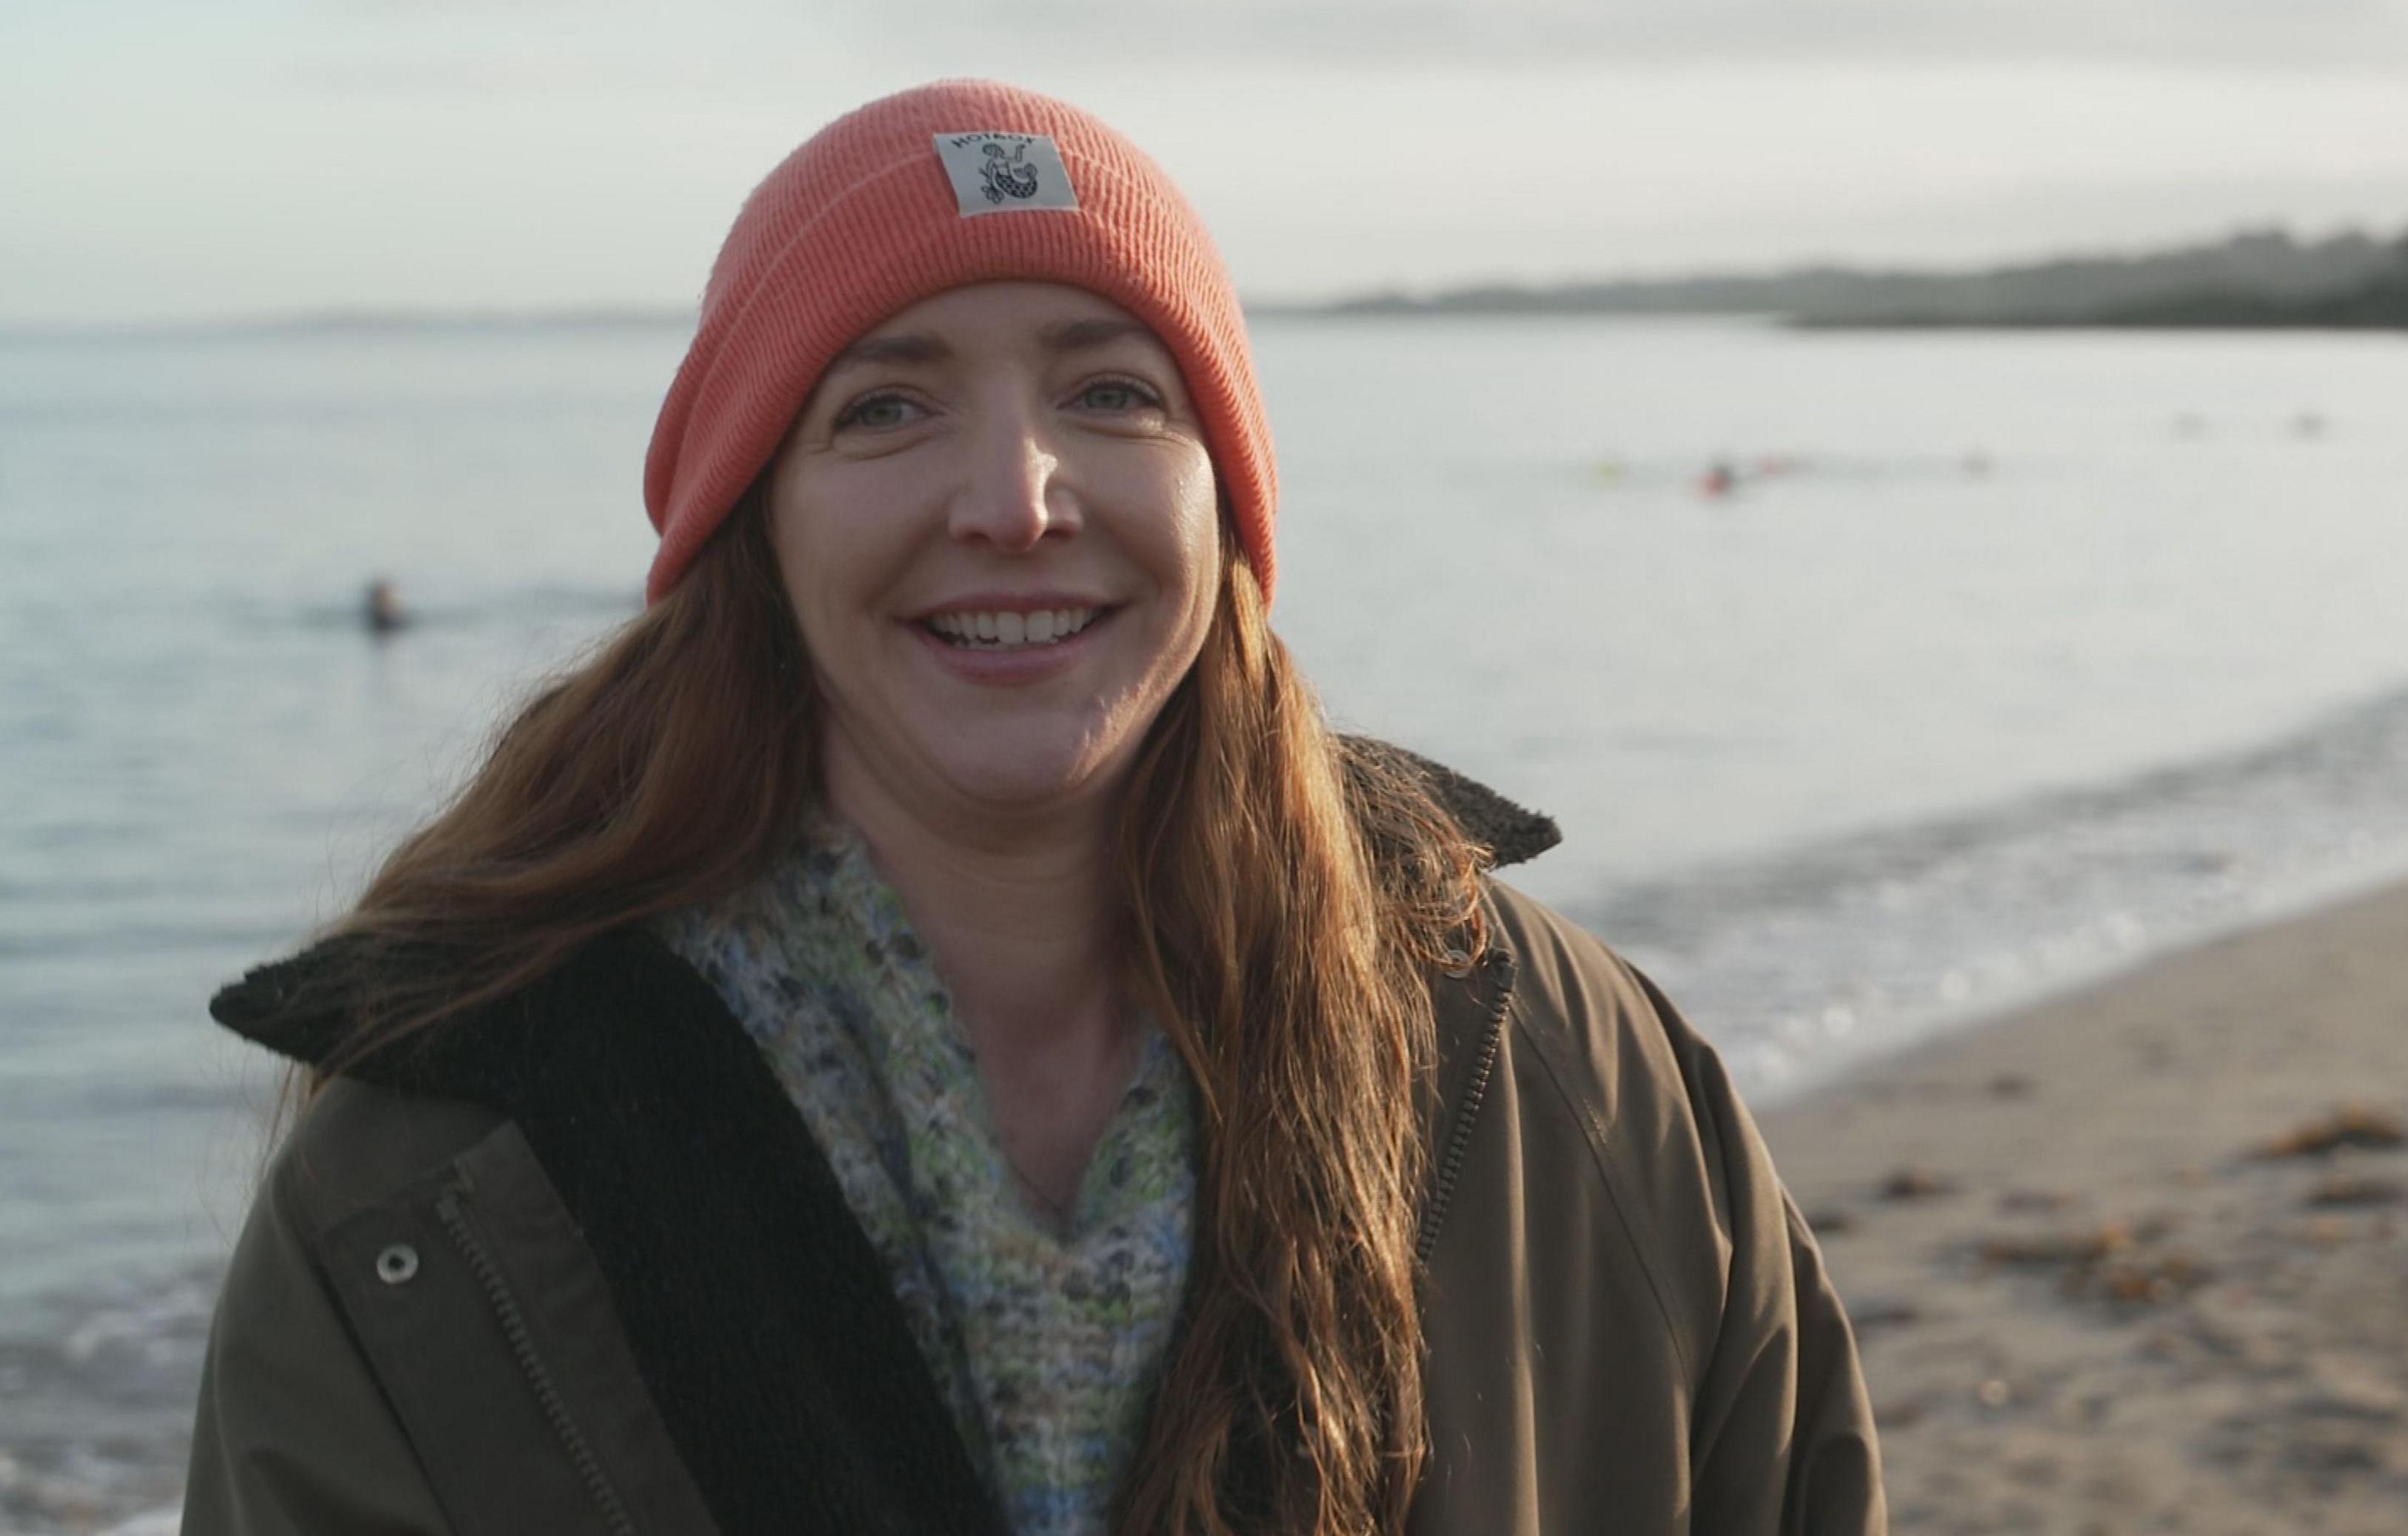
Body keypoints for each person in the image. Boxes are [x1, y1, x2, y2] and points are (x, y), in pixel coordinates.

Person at [182, 81, 1883, 1536]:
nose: (1014, 500)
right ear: (752, 533)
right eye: (889, 408)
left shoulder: (1565, 1071)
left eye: (1112, 394)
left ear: (1225, 504)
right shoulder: (432, 1181)